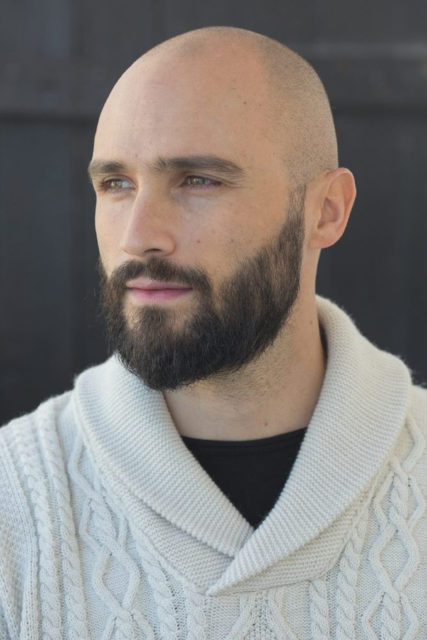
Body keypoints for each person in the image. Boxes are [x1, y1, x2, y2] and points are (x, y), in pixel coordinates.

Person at [0, 25, 426, 640]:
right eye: (116, 184)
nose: (138, 236)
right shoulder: (16, 501)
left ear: (326, 211)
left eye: (198, 180)